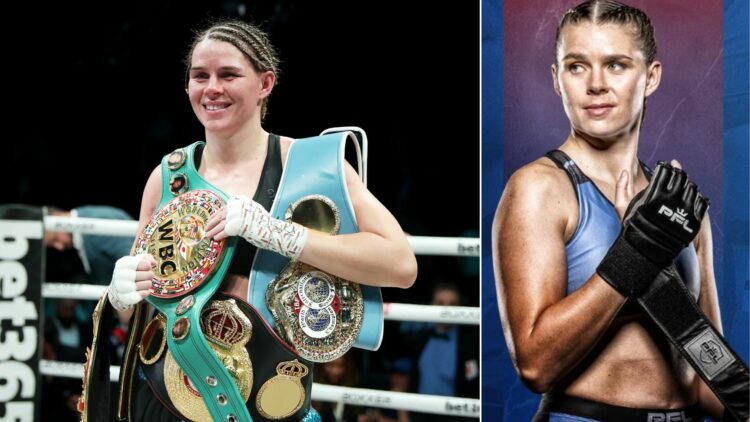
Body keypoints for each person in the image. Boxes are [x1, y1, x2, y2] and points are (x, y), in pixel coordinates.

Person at [88, 18, 417, 422]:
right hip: (162, 399)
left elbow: (401, 265)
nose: (212, 88)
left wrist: (279, 235)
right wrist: (124, 293)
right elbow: (143, 309)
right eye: (199, 76)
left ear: (265, 84)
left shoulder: (310, 166)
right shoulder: (168, 178)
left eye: (229, 75)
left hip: (268, 401)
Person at [492, 1, 727, 420]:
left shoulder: (679, 205)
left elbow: (709, 377)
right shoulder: (541, 188)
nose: (596, 84)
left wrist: (740, 393)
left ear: (650, 77)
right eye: (577, 66)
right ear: (557, 79)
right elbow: (535, 365)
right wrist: (631, 258)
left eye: (616, 65)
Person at [410, 282, 479, 422]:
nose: (446, 309)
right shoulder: (421, 337)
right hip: (420, 413)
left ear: (460, 307)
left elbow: (474, 385)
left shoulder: (472, 342)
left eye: (452, 304)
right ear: (432, 305)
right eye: (440, 303)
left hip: (454, 416)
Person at [44, 205, 135, 286]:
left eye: (55, 239)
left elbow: (135, 264)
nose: (60, 247)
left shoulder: (96, 225)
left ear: (56, 218)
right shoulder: (86, 221)